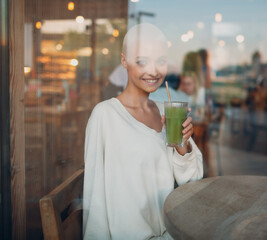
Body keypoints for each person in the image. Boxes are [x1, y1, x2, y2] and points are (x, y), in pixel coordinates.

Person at [83, 23, 203, 240]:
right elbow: (95, 199)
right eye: (142, 61)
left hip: (171, 233)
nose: (154, 71)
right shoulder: (105, 116)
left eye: (161, 61)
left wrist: (182, 147)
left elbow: (192, 181)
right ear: (124, 61)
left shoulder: (163, 112)